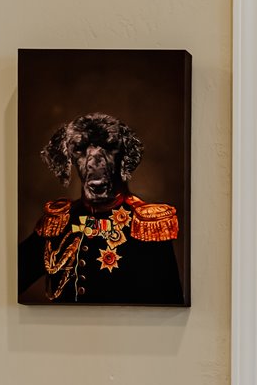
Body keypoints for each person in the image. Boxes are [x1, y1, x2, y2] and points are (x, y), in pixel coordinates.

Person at [19, 111, 183, 305]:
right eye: (80, 150)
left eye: (110, 148)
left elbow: (169, 308)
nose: (94, 164)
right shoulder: (57, 224)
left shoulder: (148, 227)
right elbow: (5, 280)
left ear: (124, 157)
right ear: (66, 158)